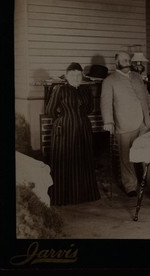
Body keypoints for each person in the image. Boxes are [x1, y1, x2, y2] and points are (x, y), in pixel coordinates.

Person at [100, 52, 150, 197]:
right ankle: (130, 186)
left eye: (128, 60)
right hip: (124, 123)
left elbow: (147, 95)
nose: (127, 62)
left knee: (149, 154)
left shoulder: (137, 77)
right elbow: (105, 102)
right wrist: (108, 121)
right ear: (116, 62)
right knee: (126, 157)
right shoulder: (109, 80)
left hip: (144, 122)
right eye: (124, 60)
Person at [46, 62, 100, 205]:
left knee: (83, 160)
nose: (76, 77)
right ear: (67, 75)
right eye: (72, 75)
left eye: (78, 74)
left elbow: (90, 109)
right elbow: (50, 111)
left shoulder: (86, 90)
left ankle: (84, 195)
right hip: (64, 130)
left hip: (83, 129)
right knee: (65, 161)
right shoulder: (59, 89)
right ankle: (63, 197)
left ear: (82, 75)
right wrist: (64, 119)